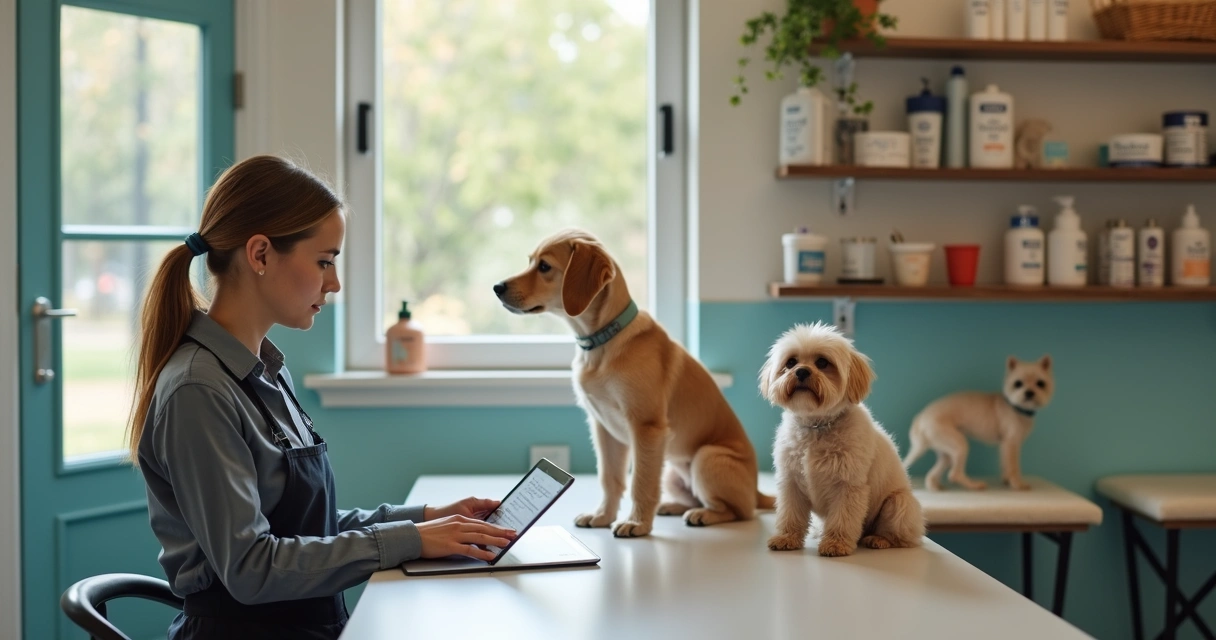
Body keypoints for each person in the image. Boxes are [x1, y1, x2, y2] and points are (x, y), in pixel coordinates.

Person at [127, 154, 516, 639]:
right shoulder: (198, 392)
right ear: (261, 254)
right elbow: (252, 567)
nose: (333, 283)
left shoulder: (264, 370)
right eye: (324, 261)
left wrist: (426, 520)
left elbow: (302, 528)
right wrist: (410, 541)